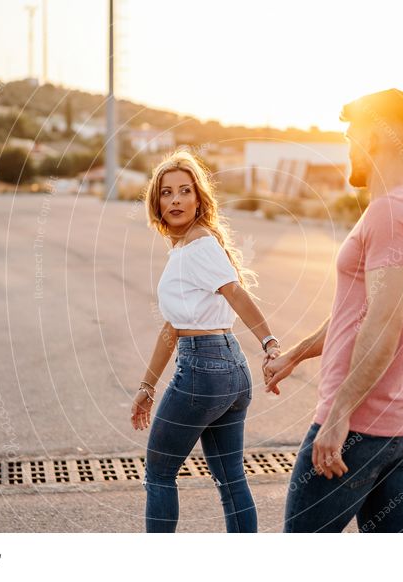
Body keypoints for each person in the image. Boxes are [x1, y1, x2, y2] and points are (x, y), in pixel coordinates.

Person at [264, 89, 403, 533]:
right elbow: (358, 311)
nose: (347, 147)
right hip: (401, 431)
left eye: (351, 136)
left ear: (376, 139)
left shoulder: (390, 215)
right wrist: (296, 355)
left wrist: (340, 414)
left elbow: (385, 322)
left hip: (360, 428)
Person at [131, 149, 282, 533]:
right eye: (167, 193)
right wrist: (147, 386)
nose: (176, 200)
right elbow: (172, 328)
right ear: (157, 202)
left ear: (199, 198)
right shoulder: (186, 248)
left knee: (160, 471)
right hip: (230, 369)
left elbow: (235, 292)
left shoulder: (199, 245)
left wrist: (269, 342)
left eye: (185, 191)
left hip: (205, 369)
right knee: (230, 479)